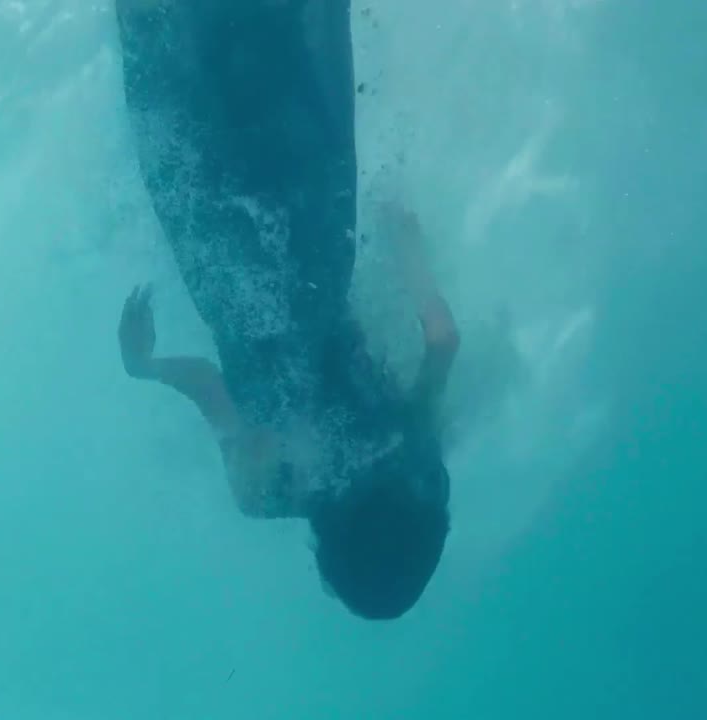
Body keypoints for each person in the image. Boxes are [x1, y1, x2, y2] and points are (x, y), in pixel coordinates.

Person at [114, 0, 460, 620]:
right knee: (178, 69)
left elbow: (441, 338)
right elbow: (208, 384)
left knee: (288, 48)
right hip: (223, 266)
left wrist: (401, 232)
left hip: (320, 245)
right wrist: (144, 365)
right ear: (332, 560)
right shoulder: (268, 492)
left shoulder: (409, 440)